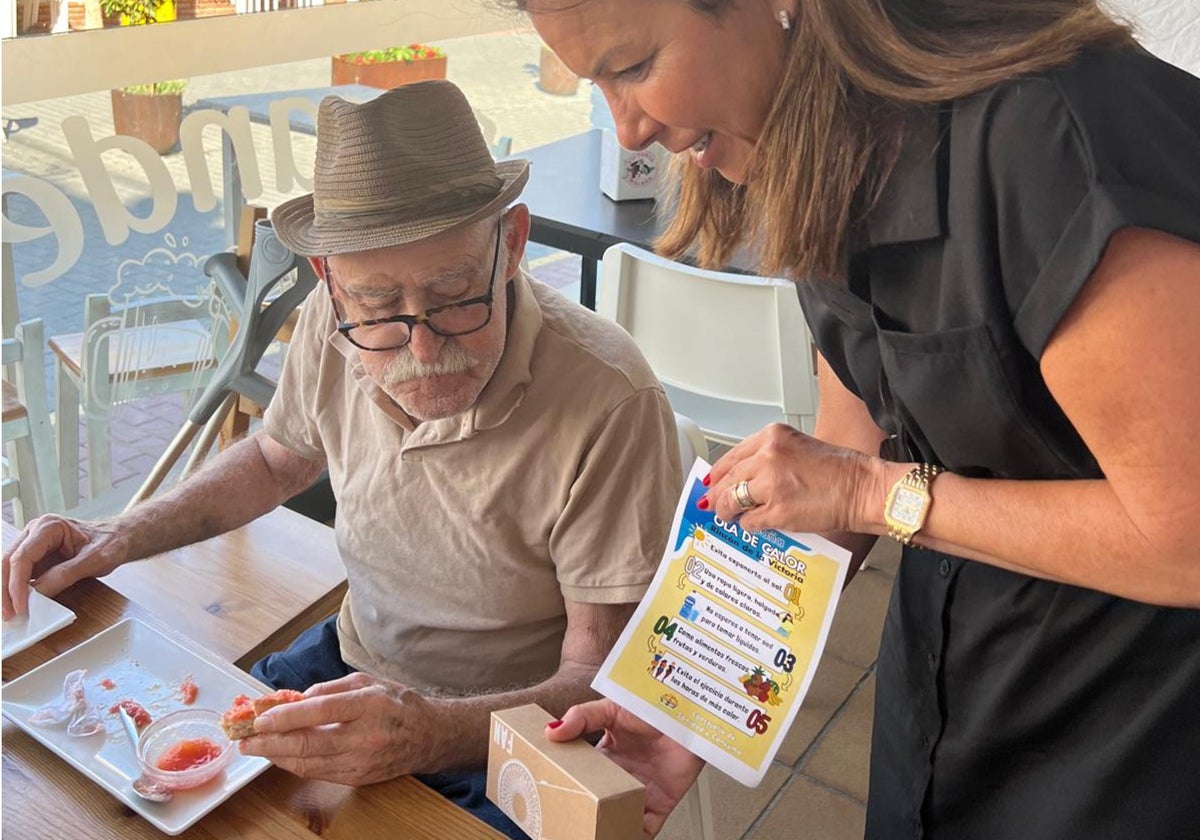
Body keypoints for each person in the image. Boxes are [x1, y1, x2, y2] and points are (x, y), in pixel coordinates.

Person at [519, 1, 1200, 838]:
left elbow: (1186, 537)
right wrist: (694, 696)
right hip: (951, 692)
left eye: (632, 67)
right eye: (596, 84)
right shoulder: (821, 144)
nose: (626, 131)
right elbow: (846, 445)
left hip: (1135, 735)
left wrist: (873, 495)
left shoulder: (1056, 139)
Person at [2, 81, 682, 837]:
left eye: (456, 294)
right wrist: (120, 533)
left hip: (514, 725)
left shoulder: (610, 397)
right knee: (148, 796)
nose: (422, 349)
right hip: (353, 654)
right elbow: (273, 459)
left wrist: (430, 731)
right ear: (329, 280)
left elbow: (596, 682)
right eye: (379, 306)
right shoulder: (329, 318)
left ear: (513, 242)